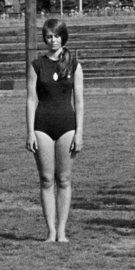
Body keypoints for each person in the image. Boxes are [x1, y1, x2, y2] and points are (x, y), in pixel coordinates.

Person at [26, 18, 84, 243]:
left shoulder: (74, 65)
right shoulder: (36, 65)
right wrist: (30, 131)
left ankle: (62, 230)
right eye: (49, 36)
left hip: (67, 127)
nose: (53, 40)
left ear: (63, 37)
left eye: (57, 36)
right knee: (46, 179)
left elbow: (79, 101)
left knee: (64, 179)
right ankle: (50, 231)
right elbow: (31, 100)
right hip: (42, 126)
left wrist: (79, 132)